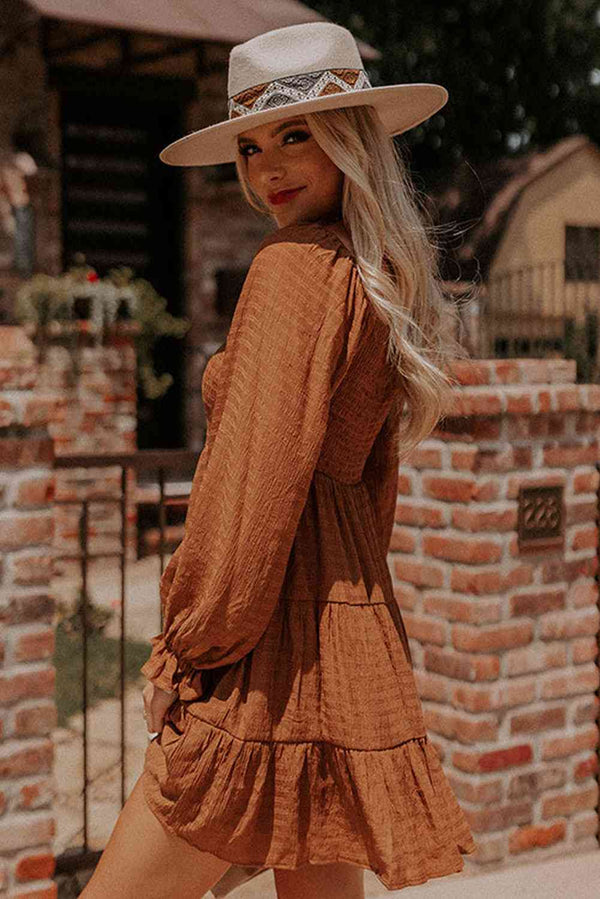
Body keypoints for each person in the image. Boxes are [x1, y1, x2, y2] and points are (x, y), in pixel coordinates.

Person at [80, 21, 476, 899]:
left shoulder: (293, 267)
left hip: (261, 654)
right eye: (251, 147)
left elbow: (248, 488)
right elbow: (370, 496)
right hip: (343, 641)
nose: (268, 170)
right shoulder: (371, 274)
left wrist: (184, 654)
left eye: (296, 134)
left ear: (348, 138)